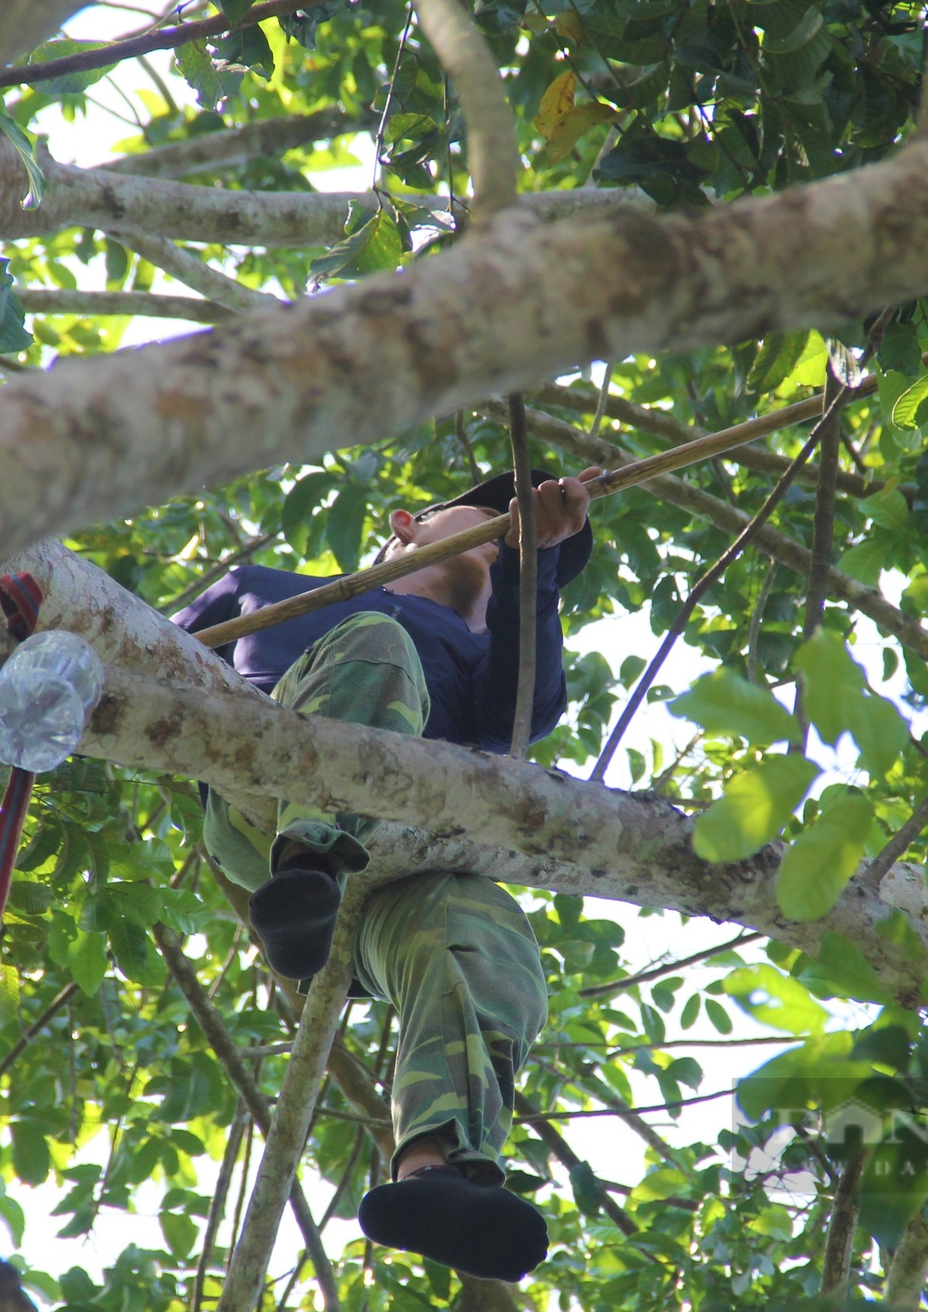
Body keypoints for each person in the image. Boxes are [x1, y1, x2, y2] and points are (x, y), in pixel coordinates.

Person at [172, 465, 601, 1283]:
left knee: (486, 933)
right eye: (490, 514)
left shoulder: (488, 661)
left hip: (391, 864)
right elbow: (123, 650)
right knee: (381, 641)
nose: (505, 526)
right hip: (263, 798)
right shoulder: (266, 591)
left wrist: (533, 562)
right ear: (408, 524)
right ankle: (305, 864)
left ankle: (437, 1171)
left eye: (516, 528)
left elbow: (526, 717)